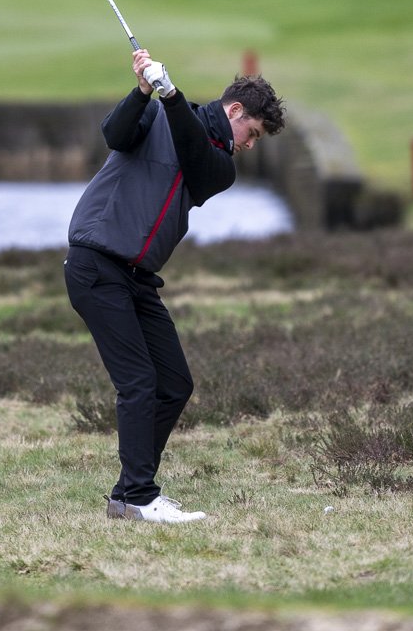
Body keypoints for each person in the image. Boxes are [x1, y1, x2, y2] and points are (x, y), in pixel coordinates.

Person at [65, 49, 284, 524]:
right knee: (140, 383)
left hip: (138, 280)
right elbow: (114, 134)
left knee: (175, 384)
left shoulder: (220, 166)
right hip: (97, 265)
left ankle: (127, 494)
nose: (250, 144)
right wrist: (143, 91)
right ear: (234, 112)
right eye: (253, 133)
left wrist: (171, 96)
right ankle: (139, 498)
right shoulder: (157, 115)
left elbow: (193, 153)